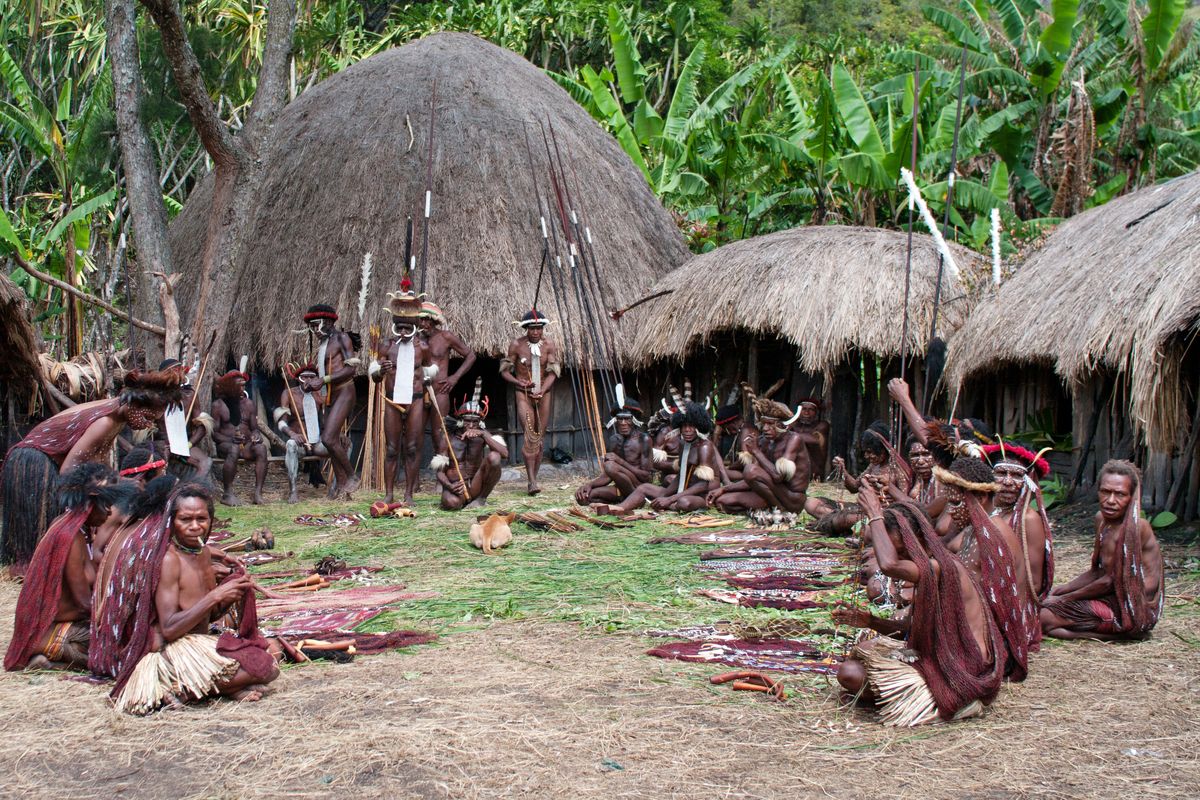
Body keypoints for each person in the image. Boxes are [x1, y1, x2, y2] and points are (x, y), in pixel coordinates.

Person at [95, 483, 278, 714]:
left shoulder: (202, 553)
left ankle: (211, 687)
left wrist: (231, 593)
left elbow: (207, 615)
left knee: (269, 659)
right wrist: (214, 596)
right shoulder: (169, 560)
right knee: (264, 668)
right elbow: (170, 628)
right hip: (171, 649)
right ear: (172, 522)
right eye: (185, 520)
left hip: (196, 642)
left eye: (201, 519)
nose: (195, 527)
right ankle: (182, 689)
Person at [833, 487, 1004, 726]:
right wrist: (869, 621)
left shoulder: (940, 567)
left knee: (849, 674)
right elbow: (908, 629)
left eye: (902, 550)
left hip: (962, 671)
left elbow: (889, 566)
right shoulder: (933, 565)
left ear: (918, 539)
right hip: (949, 661)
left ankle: (943, 700)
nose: (901, 557)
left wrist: (874, 512)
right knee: (866, 648)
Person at [1, 368, 181, 568]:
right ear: (135, 405)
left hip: (37, 460)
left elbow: (97, 461)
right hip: (33, 462)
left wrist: (116, 482)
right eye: (147, 418)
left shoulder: (116, 416)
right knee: (36, 536)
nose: (148, 425)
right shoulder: (105, 421)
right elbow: (71, 472)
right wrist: (114, 485)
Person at [4, 464, 118, 671]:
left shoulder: (79, 531)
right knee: (121, 649)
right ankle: (53, 653)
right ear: (91, 503)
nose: (110, 512)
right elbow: (84, 604)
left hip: (65, 626)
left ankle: (52, 660)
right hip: (55, 630)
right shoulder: (71, 537)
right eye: (106, 504)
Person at [935, 456, 1035, 680]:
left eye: (955, 503)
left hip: (990, 648)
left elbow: (994, 608)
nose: (950, 512)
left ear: (980, 497)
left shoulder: (993, 535)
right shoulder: (977, 526)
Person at [1041, 460, 1163, 641]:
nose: (1111, 501)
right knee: (1042, 607)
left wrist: (1063, 600)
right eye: (1106, 492)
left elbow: (1110, 582)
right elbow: (1097, 572)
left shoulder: (1136, 528)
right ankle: (1112, 632)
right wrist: (1059, 591)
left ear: (1131, 497)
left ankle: (1127, 634)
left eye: (1120, 494)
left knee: (1043, 618)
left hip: (1132, 608)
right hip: (1111, 595)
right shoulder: (1102, 520)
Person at [591, 401, 718, 515]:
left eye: (691, 426)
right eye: (684, 426)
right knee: (644, 487)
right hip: (679, 492)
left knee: (683, 502)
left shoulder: (705, 446)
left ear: (699, 426)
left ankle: (672, 505)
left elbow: (702, 485)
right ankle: (619, 508)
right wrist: (666, 493)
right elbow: (681, 476)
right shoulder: (683, 444)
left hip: (697, 497)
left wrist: (669, 499)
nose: (687, 430)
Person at [370, 291, 436, 504]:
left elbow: (428, 372)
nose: (404, 332)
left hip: (416, 399)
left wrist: (427, 380)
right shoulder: (387, 346)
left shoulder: (423, 348)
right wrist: (381, 370)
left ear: (415, 327)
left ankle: (408, 494)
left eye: (408, 328)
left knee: (412, 448)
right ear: (395, 327)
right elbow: (375, 377)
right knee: (391, 448)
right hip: (392, 401)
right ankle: (389, 493)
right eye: (400, 328)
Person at [708, 388, 812, 516]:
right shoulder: (764, 441)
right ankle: (765, 510)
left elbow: (778, 477)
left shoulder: (794, 439)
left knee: (750, 470)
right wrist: (724, 489)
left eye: (770, 424)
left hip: (791, 498)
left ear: (781, 425)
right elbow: (751, 479)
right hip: (772, 493)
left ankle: (781, 511)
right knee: (721, 502)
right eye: (764, 424)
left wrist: (756, 451)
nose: (765, 428)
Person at [298, 303, 359, 499]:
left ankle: (351, 476)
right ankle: (342, 486)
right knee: (332, 441)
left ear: (329, 321)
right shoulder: (323, 344)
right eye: (312, 327)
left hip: (345, 391)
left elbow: (351, 369)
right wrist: (314, 385)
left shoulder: (342, 338)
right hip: (331, 395)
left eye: (317, 325)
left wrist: (322, 380)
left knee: (328, 438)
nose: (315, 330)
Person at [500, 309, 560, 495]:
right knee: (530, 434)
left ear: (543, 328)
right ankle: (531, 481)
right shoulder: (516, 345)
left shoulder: (549, 345)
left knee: (539, 438)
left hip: (544, 393)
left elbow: (553, 372)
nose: (536, 332)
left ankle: (535, 476)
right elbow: (504, 371)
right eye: (532, 328)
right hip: (523, 393)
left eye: (539, 328)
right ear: (526, 328)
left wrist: (542, 390)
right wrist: (519, 382)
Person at [985, 442, 1054, 602]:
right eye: (1001, 473)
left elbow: (1034, 584)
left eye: (1016, 475)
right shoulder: (982, 512)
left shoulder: (1028, 520)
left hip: (1012, 603)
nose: (1008, 482)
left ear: (1028, 481)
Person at [434, 378, 509, 510]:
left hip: (476, 486)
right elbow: (439, 472)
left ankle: (481, 499)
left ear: (480, 422)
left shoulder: (482, 434)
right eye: (467, 421)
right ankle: (460, 500)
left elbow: (504, 454)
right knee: (451, 504)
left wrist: (484, 434)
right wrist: (449, 486)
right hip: (456, 486)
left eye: (475, 422)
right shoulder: (448, 438)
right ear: (460, 421)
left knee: (494, 457)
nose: (471, 425)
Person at [418, 300, 476, 453]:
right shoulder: (414, 340)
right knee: (415, 435)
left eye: (426, 320)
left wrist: (454, 377)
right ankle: (414, 477)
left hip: (440, 392)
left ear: (434, 320)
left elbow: (471, 356)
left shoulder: (446, 337)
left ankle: (443, 473)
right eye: (420, 320)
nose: (423, 323)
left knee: (440, 434)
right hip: (418, 392)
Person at [575, 401, 653, 506]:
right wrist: (590, 485)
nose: (623, 423)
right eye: (620, 419)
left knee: (611, 465)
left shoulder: (644, 439)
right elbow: (608, 474)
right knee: (584, 498)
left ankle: (635, 500)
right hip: (620, 489)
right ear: (615, 421)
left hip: (639, 488)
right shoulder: (614, 440)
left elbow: (646, 476)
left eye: (627, 419)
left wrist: (619, 461)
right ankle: (623, 501)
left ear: (634, 420)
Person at [211, 368, 267, 506]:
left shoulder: (248, 404)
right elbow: (214, 434)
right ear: (230, 387)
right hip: (227, 445)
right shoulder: (218, 405)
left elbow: (254, 429)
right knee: (234, 449)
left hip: (246, 446)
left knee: (261, 448)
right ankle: (227, 494)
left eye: (243, 385)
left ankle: (258, 493)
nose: (243, 388)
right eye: (239, 385)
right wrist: (231, 440)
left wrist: (256, 437)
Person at [275, 363, 330, 503]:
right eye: (304, 377)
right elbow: (281, 423)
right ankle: (293, 490)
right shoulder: (289, 393)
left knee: (343, 444)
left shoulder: (320, 394)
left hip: (317, 443)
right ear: (298, 378)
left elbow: (327, 418)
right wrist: (292, 434)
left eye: (312, 377)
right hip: (300, 443)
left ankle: (337, 488)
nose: (308, 381)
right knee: (290, 445)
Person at [154, 358, 213, 483]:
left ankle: (193, 491)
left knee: (206, 462)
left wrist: (189, 444)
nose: (178, 374)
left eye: (179, 370)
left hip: (184, 444)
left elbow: (202, 425)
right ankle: (160, 495)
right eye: (173, 371)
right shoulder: (155, 396)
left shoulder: (190, 395)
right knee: (160, 463)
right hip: (161, 444)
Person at [712, 404, 757, 484]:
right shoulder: (741, 430)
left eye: (726, 427)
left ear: (734, 422)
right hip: (744, 472)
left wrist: (729, 467)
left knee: (717, 472)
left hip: (753, 473)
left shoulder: (746, 430)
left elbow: (745, 461)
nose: (726, 430)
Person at [788, 399, 830, 481]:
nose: (806, 413)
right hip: (793, 470)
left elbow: (813, 439)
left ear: (816, 412)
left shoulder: (822, 425)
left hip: (813, 472)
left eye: (811, 410)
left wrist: (786, 433)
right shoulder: (794, 426)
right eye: (803, 409)